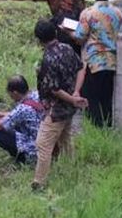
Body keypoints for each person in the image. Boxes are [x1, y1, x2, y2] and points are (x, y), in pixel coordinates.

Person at [31, 19, 86, 191]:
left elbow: (53, 88)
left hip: (56, 109)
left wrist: (71, 98)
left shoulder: (48, 59)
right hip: (69, 108)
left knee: (43, 144)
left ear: (39, 40)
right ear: (55, 33)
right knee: (65, 138)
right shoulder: (67, 48)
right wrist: (76, 93)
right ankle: (72, 170)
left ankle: (39, 183)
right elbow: (81, 68)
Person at [71, 0, 122, 128]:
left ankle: (95, 129)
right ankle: (107, 128)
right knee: (106, 98)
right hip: (111, 61)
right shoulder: (117, 13)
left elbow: (79, 38)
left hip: (93, 62)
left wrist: (68, 33)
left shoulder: (88, 14)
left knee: (91, 98)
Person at [0, 75, 45, 164]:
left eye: (11, 95)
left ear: (15, 93)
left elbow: (1, 125)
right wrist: (0, 114)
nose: (11, 97)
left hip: (33, 149)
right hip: (43, 142)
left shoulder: (22, 108)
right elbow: (18, 115)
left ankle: (22, 158)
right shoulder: (37, 95)